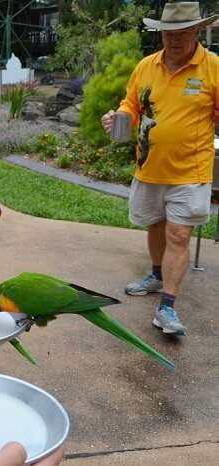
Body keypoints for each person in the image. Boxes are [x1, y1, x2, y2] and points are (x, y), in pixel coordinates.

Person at [101, 2, 219, 336]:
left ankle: (167, 307)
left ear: (197, 31)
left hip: (191, 171)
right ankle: (156, 274)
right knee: (154, 225)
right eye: (169, 33)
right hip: (149, 166)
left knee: (179, 234)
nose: (175, 39)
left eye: (183, 33)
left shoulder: (213, 68)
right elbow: (132, 105)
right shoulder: (146, 67)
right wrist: (117, 117)